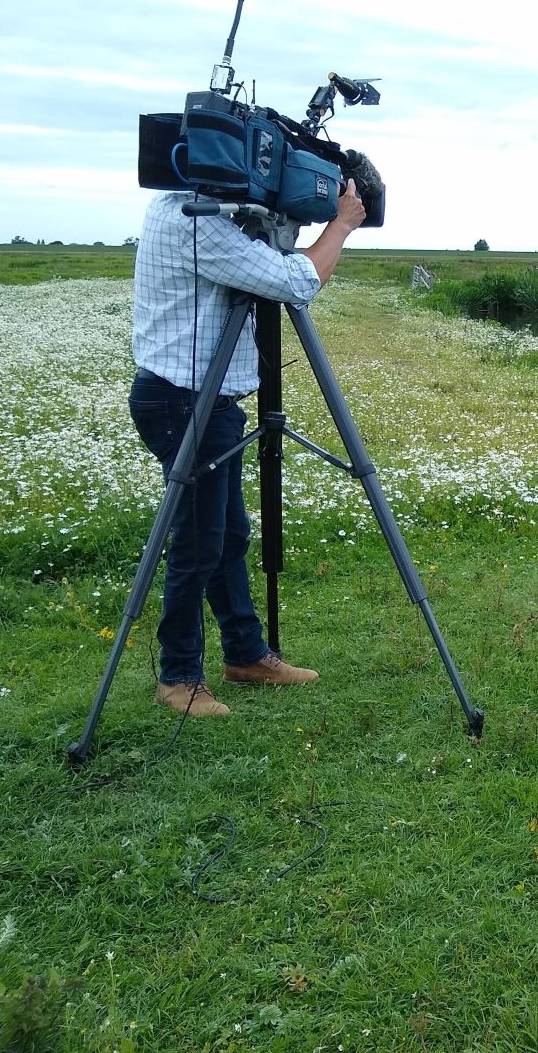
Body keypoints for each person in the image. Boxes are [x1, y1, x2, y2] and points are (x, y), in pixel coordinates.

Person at [129, 182, 365, 716]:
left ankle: (245, 655)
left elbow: (271, 262)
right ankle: (179, 676)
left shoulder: (210, 217)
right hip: (184, 400)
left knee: (227, 534)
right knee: (198, 542)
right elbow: (294, 280)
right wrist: (342, 223)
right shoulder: (194, 218)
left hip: (208, 400)